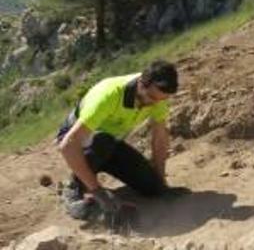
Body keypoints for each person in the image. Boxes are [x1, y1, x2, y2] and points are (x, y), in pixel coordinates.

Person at [57, 60, 179, 223]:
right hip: (79, 141)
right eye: (151, 98)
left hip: (109, 143)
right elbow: (67, 145)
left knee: (154, 188)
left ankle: (91, 179)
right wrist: (98, 191)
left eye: (160, 100)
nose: (154, 103)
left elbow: (159, 138)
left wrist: (160, 178)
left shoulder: (157, 96)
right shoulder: (108, 95)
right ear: (141, 83)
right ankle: (74, 187)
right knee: (103, 140)